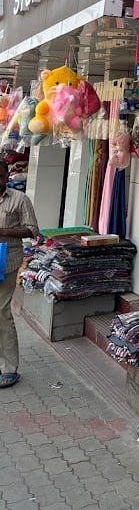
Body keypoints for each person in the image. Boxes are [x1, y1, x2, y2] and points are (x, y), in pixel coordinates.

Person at [0, 158, 41, 388]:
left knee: (2, 312)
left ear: (6, 176)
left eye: (0, 176)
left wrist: (3, 231)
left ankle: (9, 368)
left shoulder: (19, 199)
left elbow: (33, 230)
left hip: (6, 262)